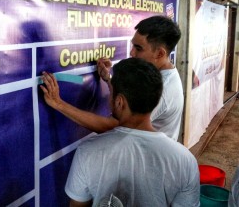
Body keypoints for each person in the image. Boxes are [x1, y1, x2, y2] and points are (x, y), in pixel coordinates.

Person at [63, 58, 200, 206]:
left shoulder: (88, 152)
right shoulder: (185, 160)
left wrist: (58, 103)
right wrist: (110, 80)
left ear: (119, 101)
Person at [40, 15, 183, 140]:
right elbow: (130, 101)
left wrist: (58, 104)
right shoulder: (159, 75)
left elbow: (115, 126)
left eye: (139, 48)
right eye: (133, 46)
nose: (132, 53)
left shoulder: (162, 90)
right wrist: (109, 79)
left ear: (160, 54)